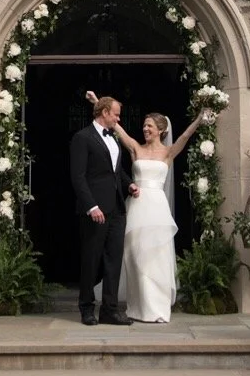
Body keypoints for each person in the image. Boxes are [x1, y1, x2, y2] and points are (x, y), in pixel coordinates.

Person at [86, 95, 212, 323]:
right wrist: (96, 102)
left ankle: (157, 308)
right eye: (144, 126)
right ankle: (137, 307)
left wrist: (199, 119)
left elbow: (185, 136)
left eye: (150, 126)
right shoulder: (135, 148)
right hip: (136, 207)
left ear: (161, 130)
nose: (145, 129)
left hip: (157, 210)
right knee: (135, 257)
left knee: (156, 257)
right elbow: (116, 126)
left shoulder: (168, 152)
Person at [69, 95, 139, 326]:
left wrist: (128, 183)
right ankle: (86, 308)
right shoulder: (82, 138)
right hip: (95, 210)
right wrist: (91, 206)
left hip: (117, 208)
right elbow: (78, 177)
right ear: (105, 112)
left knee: (113, 260)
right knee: (91, 259)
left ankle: (110, 310)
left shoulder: (114, 138)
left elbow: (115, 171)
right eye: (116, 114)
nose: (119, 118)